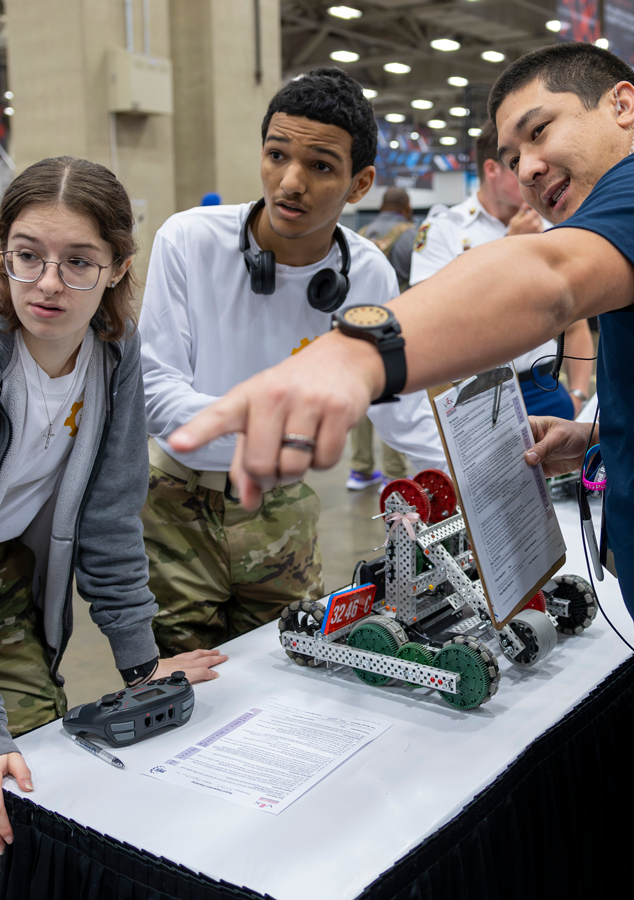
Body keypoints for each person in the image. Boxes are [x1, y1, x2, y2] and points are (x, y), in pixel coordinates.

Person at [169, 42, 634, 900]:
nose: (527, 168)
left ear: (624, 105)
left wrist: (354, 356)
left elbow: (546, 279)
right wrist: (600, 438)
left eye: (541, 129)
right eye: (511, 154)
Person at [0, 157, 226, 899]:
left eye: (79, 261)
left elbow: (110, 521)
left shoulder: (114, 352)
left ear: (119, 267)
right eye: (27, 256)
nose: (49, 283)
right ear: (2, 252)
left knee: (27, 779)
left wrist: (140, 666)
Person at [138, 67, 446, 658]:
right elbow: (158, 392)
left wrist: (488, 472)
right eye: (277, 154)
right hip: (176, 504)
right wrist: (277, 427)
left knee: (295, 665)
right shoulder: (189, 241)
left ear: (360, 185)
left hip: (283, 507)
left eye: (321, 166)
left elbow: (401, 413)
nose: (291, 182)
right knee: (182, 683)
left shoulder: (369, 275)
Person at [410, 120, 594, 419]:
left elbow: (575, 325)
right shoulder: (445, 229)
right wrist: (511, 248)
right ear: (491, 170)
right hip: (475, 394)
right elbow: (432, 320)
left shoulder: (553, 227)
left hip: (544, 388)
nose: (532, 172)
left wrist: (577, 394)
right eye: (515, 163)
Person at [347, 185, 415, 491]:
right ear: (407, 208)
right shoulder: (410, 235)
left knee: (362, 395)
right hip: (396, 329)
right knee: (393, 397)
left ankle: (360, 470)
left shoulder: (358, 234)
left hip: (358, 328)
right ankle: (394, 473)